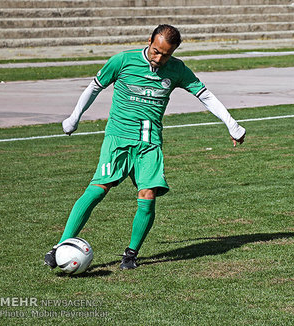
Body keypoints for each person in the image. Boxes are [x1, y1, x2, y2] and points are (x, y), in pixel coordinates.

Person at [44, 24, 246, 270]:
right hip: (118, 138)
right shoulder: (123, 61)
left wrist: (231, 123)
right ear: (149, 40)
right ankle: (59, 247)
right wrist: (74, 117)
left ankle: (130, 255)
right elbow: (94, 87)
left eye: (166, 54)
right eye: (156, 51)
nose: (159, 58)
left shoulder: (177, 69)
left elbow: (205, 95)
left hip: (149, 143)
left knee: (148, 196)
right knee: (98, 190)